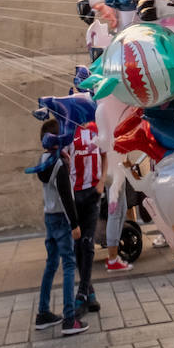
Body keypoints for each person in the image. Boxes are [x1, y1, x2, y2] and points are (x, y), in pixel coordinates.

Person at [33, 119, 87, 334]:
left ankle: (43, 312)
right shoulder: (58, 164)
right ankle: (69, 318)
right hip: (62, 219)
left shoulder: (44, 159)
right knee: (68, 266)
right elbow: (66, 196)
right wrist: (74, 224)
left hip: (49, 216)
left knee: (51, 264)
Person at [69, 119, 104, 315]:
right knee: (78, 243)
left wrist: (101, 182)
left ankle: (82, 292)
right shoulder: (69, 131)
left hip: (92, 192)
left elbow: (106, 154)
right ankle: (89, 291)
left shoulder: (96, 128)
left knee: (88, 243)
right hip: (75, 194)